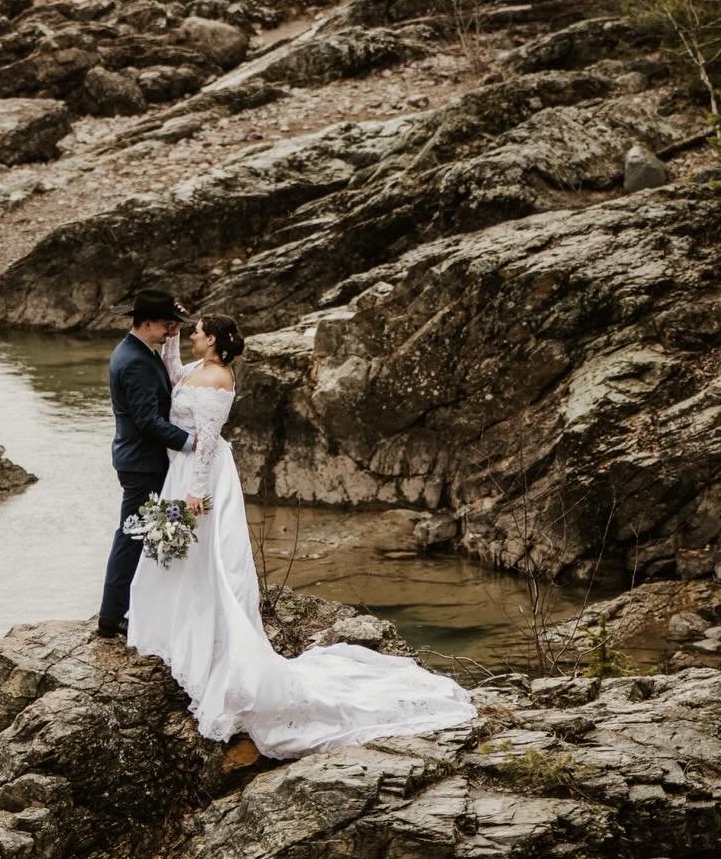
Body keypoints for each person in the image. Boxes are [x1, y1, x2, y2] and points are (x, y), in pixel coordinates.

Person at [125, 313, 477, 759]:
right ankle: (179, 631)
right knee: (183, 559)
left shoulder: (218, 381)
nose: (191, 334)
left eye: (195, 330)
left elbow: (208, 441)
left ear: (212, 339)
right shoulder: (198, 370)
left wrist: (195, 492)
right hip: (183, 473)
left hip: (203, 480)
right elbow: (176, 380)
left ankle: (213, 645)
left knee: (210, 561)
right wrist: (171, 341)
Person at [97, 287, 196, 640]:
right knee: (131, 536)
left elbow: (169, 379)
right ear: (148, 321)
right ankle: (111, 618)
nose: (172, 329)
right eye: (168, 324)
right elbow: (147, 421)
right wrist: (192, 443)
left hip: (139, 459)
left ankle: (126, 609)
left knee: (136, 534)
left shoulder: (139, 350)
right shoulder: (136, 361)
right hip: (141, 462)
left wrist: (174, 337)